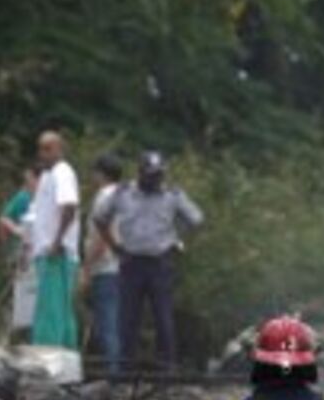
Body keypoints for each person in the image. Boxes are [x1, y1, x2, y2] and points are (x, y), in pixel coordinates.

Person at [95, 150, 203, 370]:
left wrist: (177, 240)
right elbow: (100, 218)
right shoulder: (123, 193)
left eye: (158, 175)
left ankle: (166, 370)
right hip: (131, 261)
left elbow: (196, 219)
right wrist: (114, 245)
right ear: (140, 173)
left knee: (163, 318)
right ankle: (126, 370)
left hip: (160, 262)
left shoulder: (172, 195)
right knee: (128, 320)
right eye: (151, 175)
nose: (155, 180)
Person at [27, 131, 80, 349]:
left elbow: (69, 205)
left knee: (50, 312)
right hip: (46, 251)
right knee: (60, 311)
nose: (43, 154)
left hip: (55, 253)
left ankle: (48, 360)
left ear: (60, 149)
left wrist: (57, 242)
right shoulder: (48, 176)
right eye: (40, 149)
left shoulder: (62, 172)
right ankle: (67, 360)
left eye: (48, 149)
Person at [83, 152, 126, 372]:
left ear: (101, 174)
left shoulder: (103, 198)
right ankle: (115, 371)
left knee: (106, 324)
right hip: (123, 266)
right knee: (114, 323)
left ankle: (112, 375)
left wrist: (87, 270)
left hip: (106, 267)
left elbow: (100, 237)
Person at [0, 167, 39, 341]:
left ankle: (26, 336)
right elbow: (3, 218)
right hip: (20, 254)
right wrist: (16, 232)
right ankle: (8, 335)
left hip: (37, 256)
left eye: (30, 180)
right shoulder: (23, 197)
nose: (27, 183)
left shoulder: (45, 199)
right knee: (17, 294)